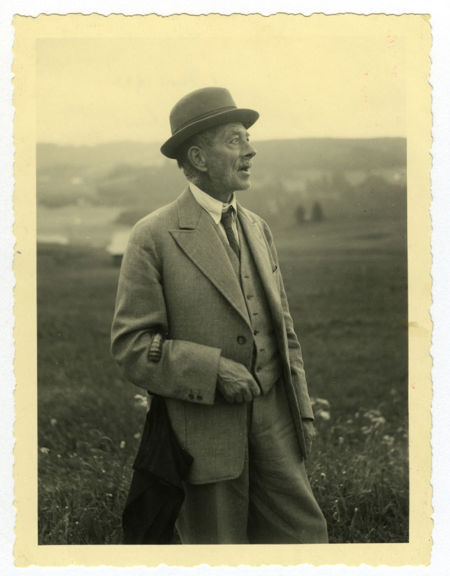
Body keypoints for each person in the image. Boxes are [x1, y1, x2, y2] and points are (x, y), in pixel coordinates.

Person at [111, 87, 328, 544]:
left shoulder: (258, 228)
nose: (250, 151)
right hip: (203, 437)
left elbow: (285, 332)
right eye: (234, 140)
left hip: (278, 429)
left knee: (304, 543)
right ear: (198, 157)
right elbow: (133, 347)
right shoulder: (152, 235)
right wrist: (213, 372)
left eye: (248, 138)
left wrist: (302, 414)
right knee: (217, 552)